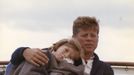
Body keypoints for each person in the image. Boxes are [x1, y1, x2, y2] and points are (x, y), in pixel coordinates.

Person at [9, 16, 114, 75]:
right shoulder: (51, 54)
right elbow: (14, 62)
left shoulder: (105, 69)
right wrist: (23, 51)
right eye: (84, 35)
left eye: (93, 35)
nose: (89, 39)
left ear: (98, 38)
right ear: (73, 37)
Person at [11, 38, 85, 75]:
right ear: (58, 46)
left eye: (70, 58)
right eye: (66, 50)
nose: (66, 56)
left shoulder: (61, 65)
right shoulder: (43, 55)